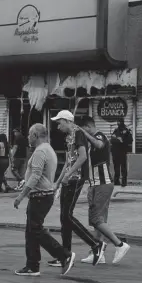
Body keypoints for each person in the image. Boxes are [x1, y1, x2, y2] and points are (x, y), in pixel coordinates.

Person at [13, 123, 75, 277]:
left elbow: (36, 175)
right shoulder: (48, 149)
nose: (27, 137)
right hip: (41, 195)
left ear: (35, 135)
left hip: (40, 197)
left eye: (29, 134)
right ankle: (32, 266)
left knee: (35, 230)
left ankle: (63, 255)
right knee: (31, 232)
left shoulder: (41, 151)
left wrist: (21, 195)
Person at [48, 110, 106, 268]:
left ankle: (95, 244)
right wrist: (58, 182)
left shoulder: (78, 134)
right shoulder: (68, 137)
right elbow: (68, 162)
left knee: (67, 216)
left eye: (59, 123)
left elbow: (82, 157)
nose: (58, 126)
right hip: (69, 179)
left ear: (67, 121)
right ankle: (65, 255)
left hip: (77, 178)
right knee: (63, 217)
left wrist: (69, 175)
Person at [79, 116, 131, 264]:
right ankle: (97, 253)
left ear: (88, 126)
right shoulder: (91, 142)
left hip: (103, 182)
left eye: (84, 130)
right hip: (96, 183)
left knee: (96, 219)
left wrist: (83, 132)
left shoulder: (99, 136)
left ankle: (119, 244)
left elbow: (100, 144)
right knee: (97, 220)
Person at [110, 119, 132, 187]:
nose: (118, 123)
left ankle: (124, 182)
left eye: (119, 122)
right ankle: (116, 181)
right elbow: (112, 139)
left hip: (122, 151)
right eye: (117, 122)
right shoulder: (116, 130)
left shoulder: (127, 131)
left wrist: (122, 140)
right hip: (115, 152)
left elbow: (130, 140)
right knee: (116, 167)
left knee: (123, 168)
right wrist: (119, 140)